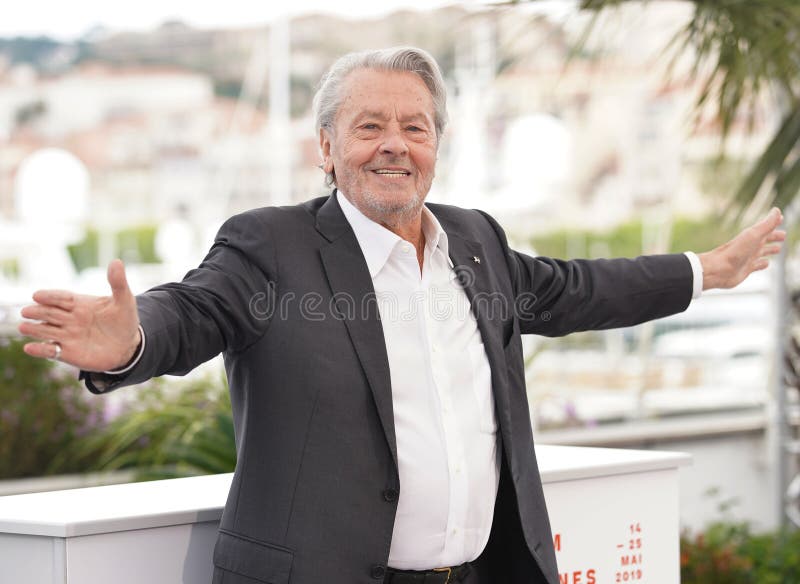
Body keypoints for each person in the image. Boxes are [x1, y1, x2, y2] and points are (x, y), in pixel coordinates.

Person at [19, 47, 785, 584]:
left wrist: (704, 271)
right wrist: (132, 338)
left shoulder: (476, 240)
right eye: (369, 126)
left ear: (437, 145)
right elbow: (191, 310)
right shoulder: (270, 245)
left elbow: (575, 288)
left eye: (414, 127)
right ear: (326, 147)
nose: (395, 145)